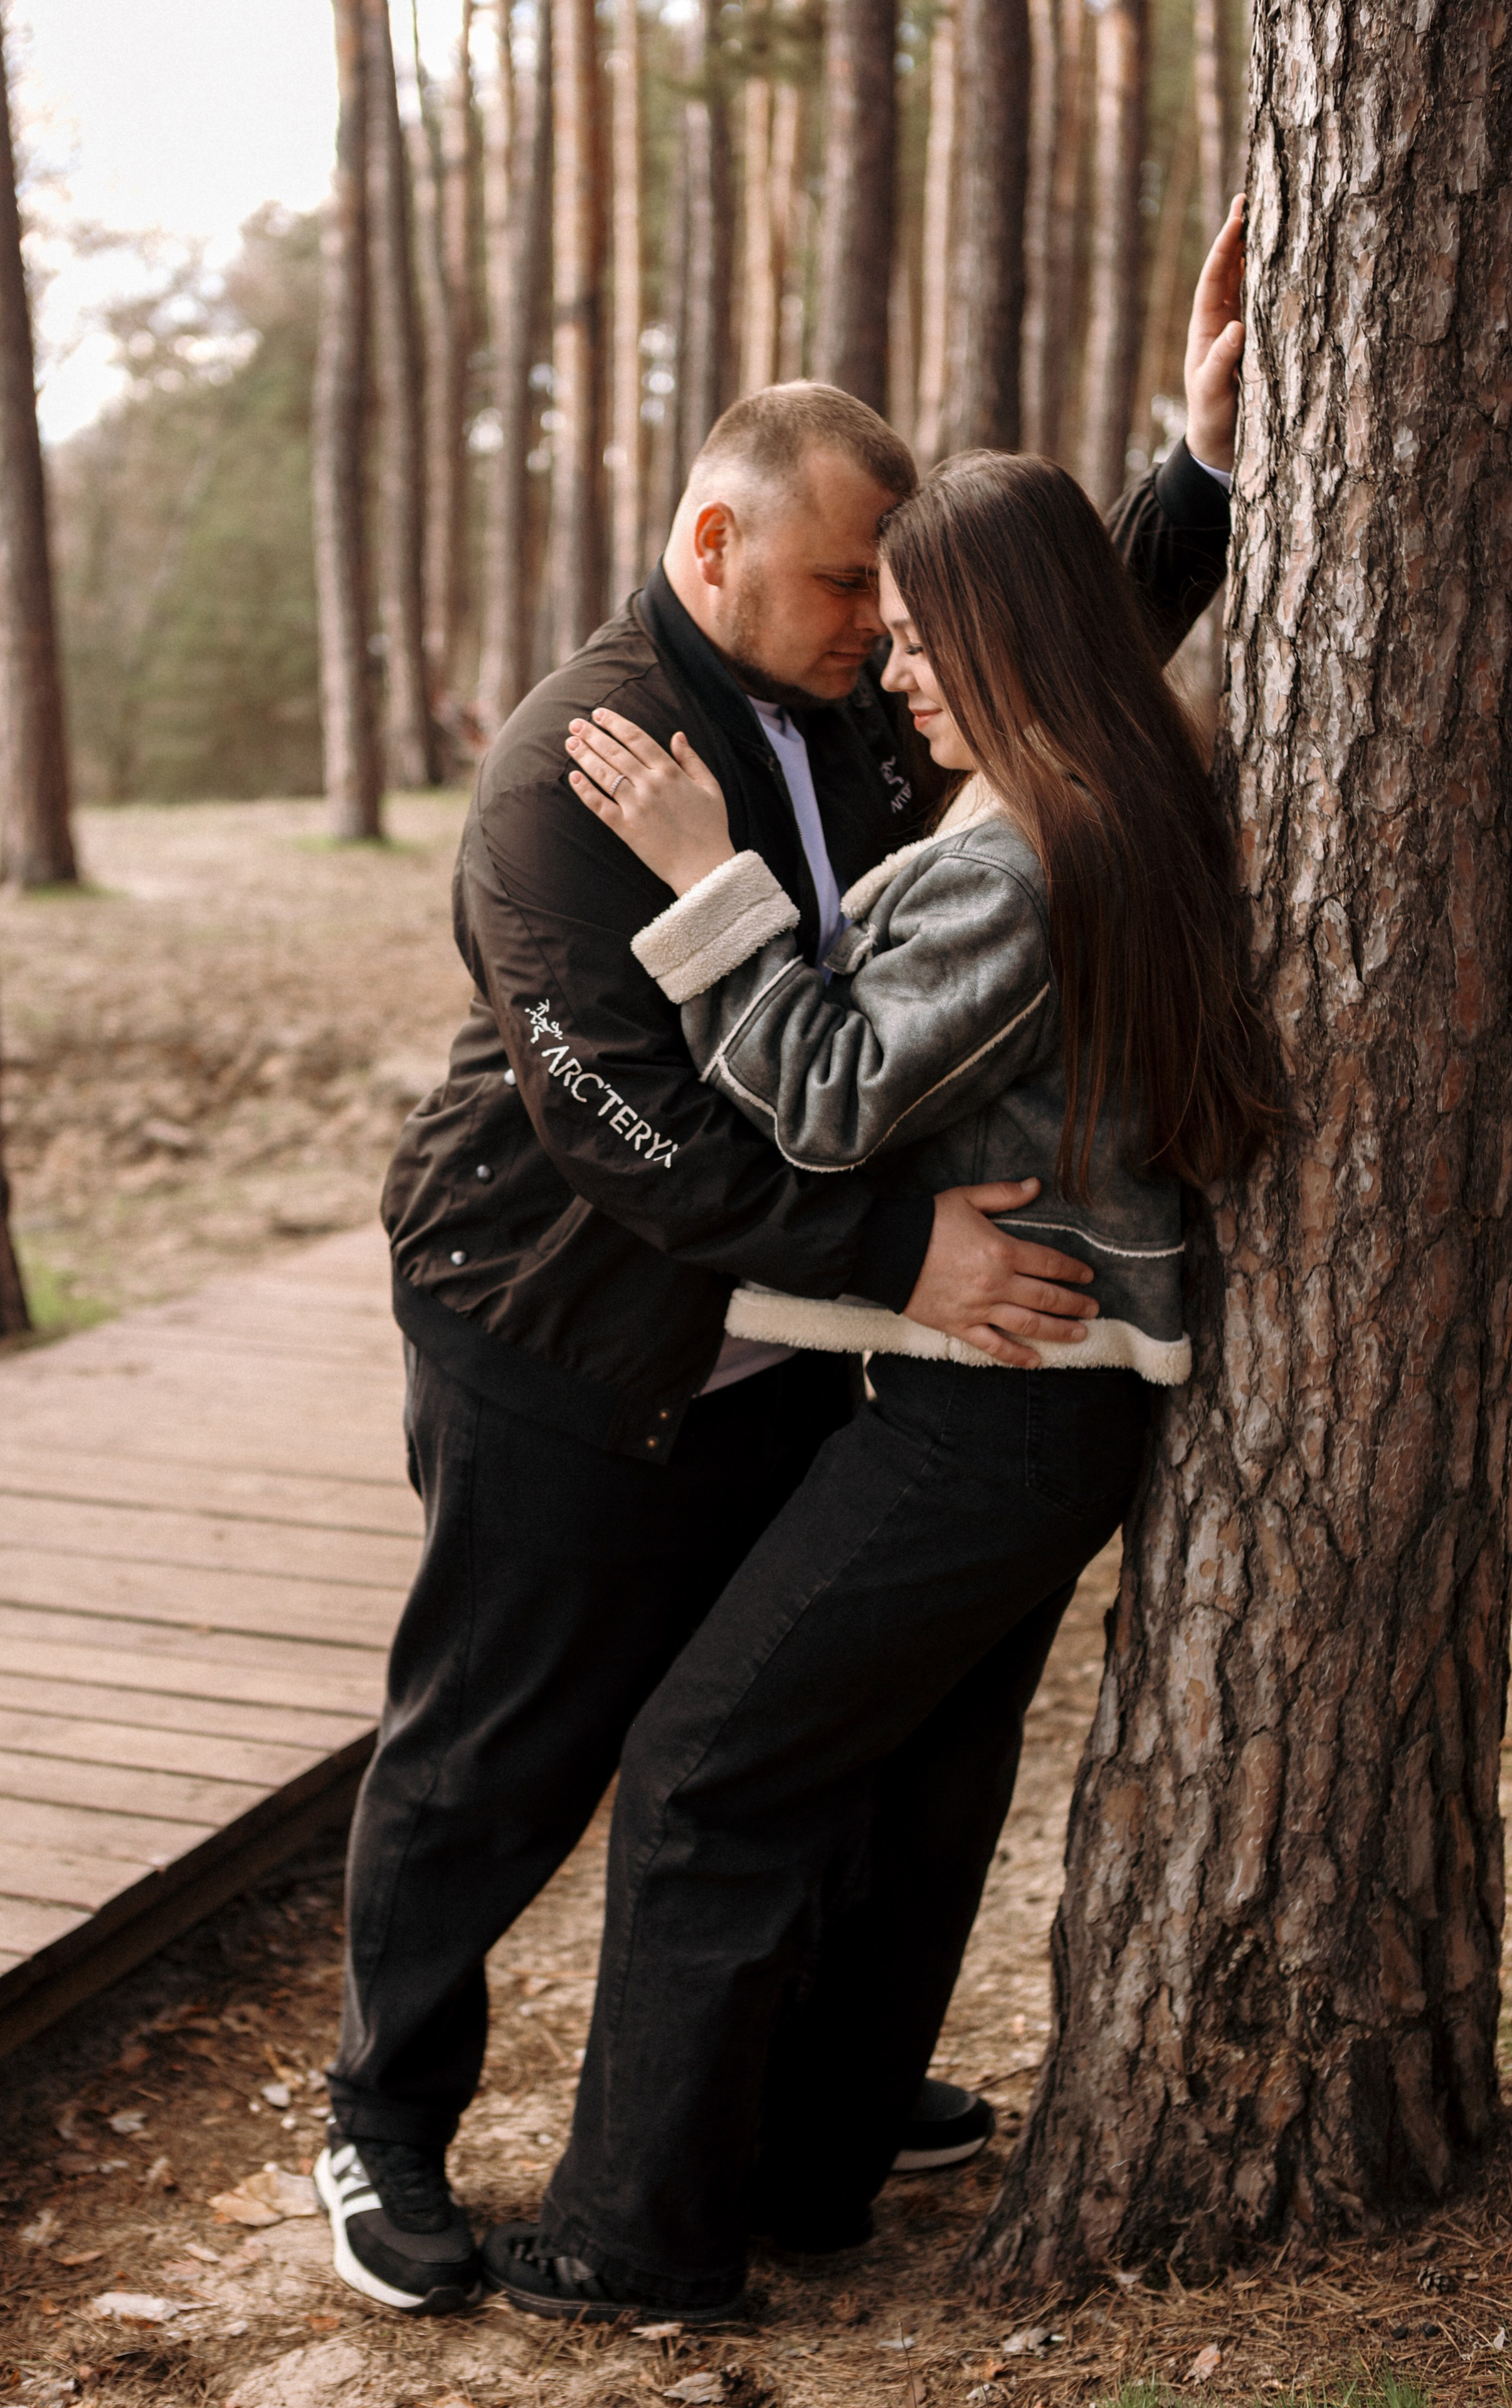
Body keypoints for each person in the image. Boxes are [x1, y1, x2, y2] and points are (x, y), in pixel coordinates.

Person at [315, 209, 1249, 2318]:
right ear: (718, 540)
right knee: (501, 1743)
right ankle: (382, 2120)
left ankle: (798, 2099)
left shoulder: (861, 688)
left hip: (795, 1329)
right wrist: (899, 1249)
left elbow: (1044, 663)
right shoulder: (584, 767)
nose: (880, 631)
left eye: (896, 603)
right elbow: (616, 1123)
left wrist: (1197, 472)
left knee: (832, 1738)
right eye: (848, 588)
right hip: (564, 1311)